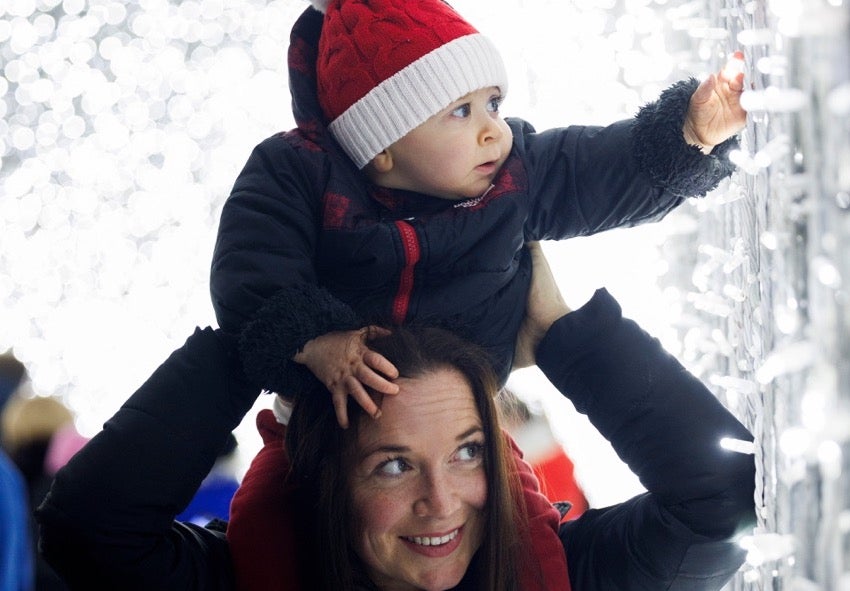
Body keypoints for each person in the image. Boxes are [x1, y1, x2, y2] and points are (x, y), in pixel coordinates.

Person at [36, 245, 756, 590]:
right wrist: (261, 337)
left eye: (468, 452)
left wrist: (567, 336)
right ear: (326, 479)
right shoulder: (239, 582)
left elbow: (723, 506)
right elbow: (86, 529)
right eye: (393, 463)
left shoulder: (569, 574)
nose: (441, 501)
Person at [211, 0, 748, 428]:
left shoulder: (512, 178)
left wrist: (690, 135)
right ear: (382, 145)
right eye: (461, 112)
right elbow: (253, 267)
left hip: (465, 430)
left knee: (530, 536)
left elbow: (598, 170)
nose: (494, 128)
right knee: (266, 531)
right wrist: (313, 343)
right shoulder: (301, 176)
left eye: (493, 103)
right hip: (324, 424)